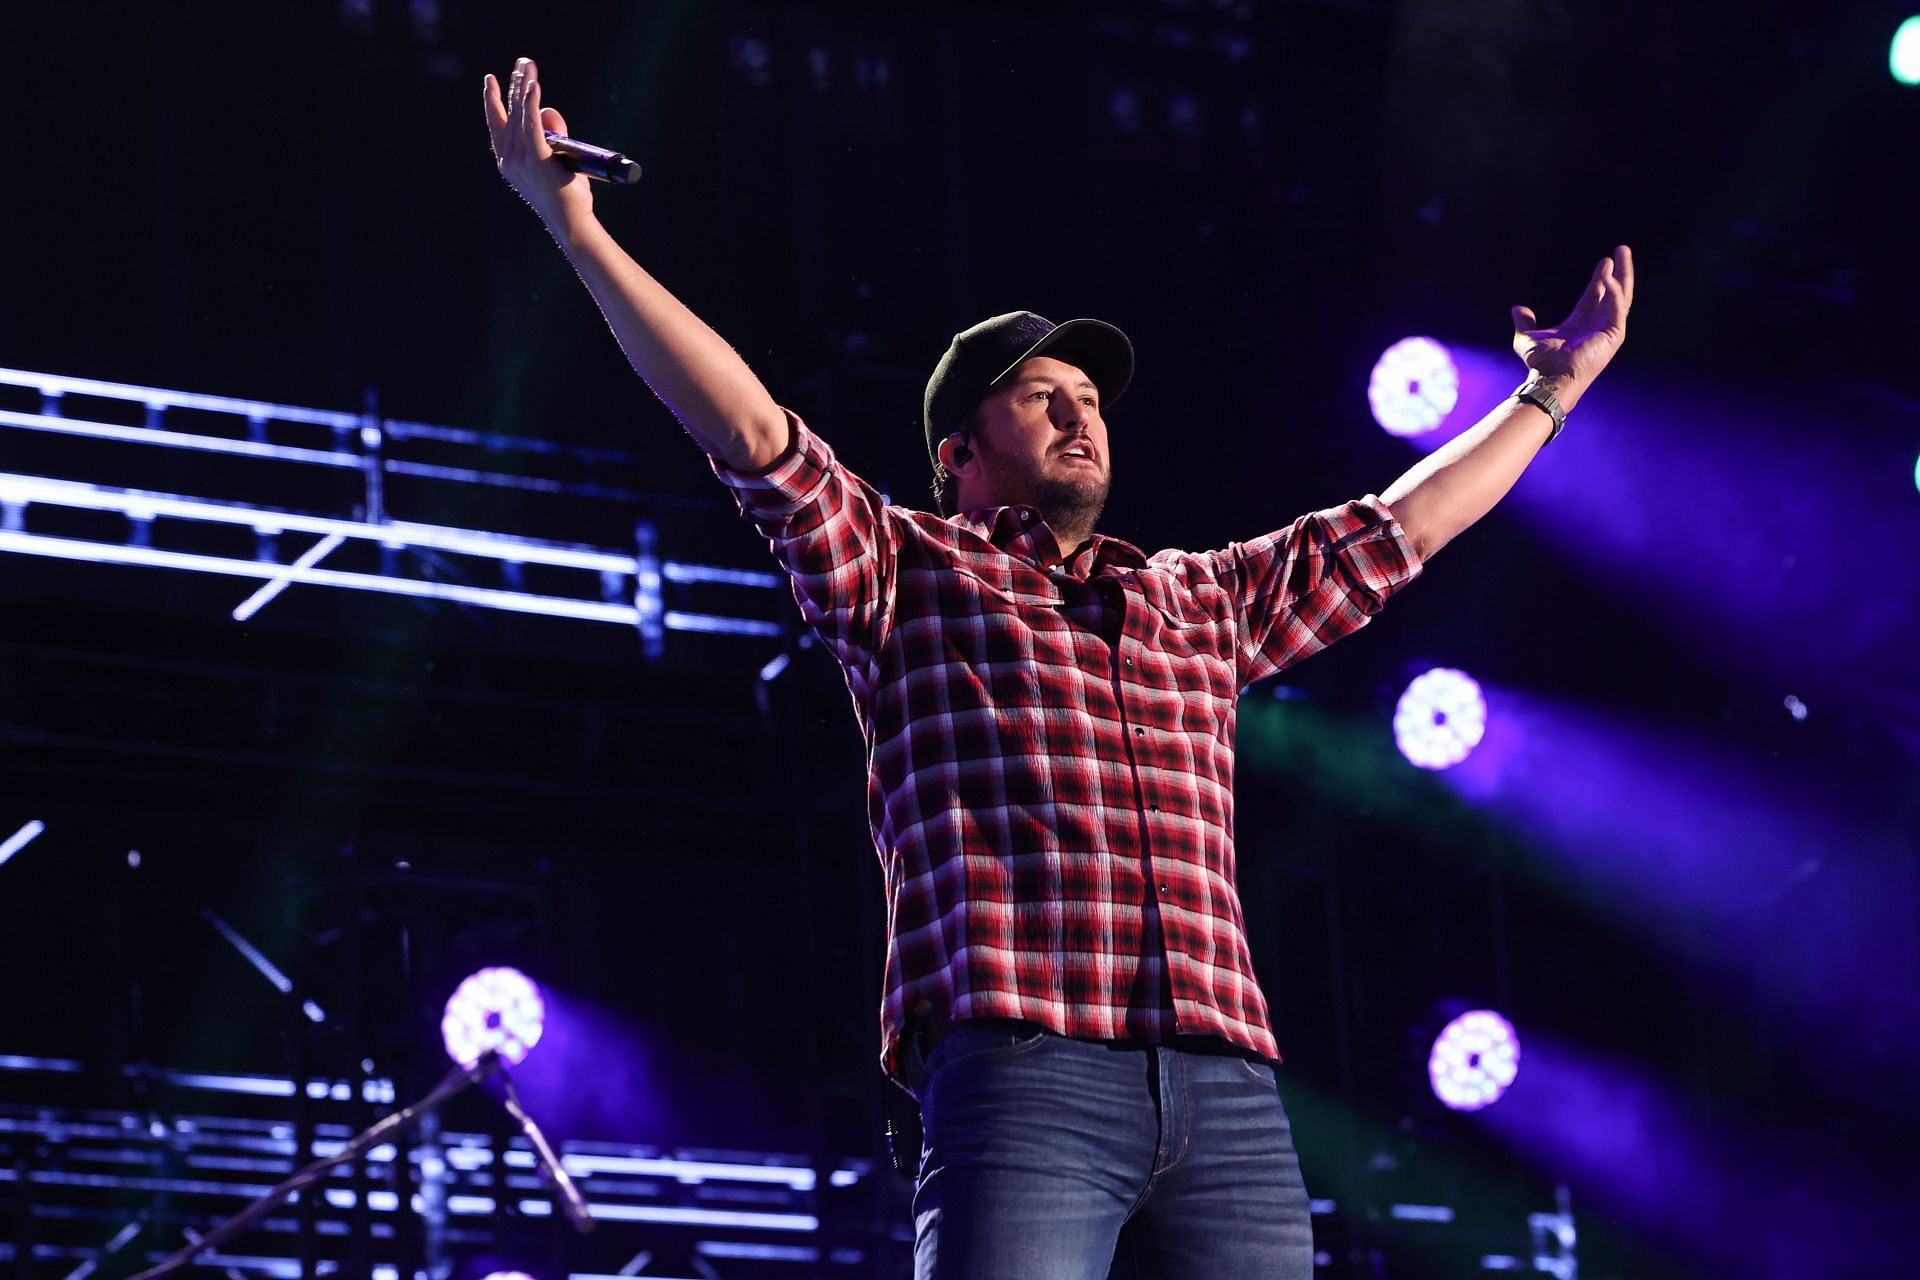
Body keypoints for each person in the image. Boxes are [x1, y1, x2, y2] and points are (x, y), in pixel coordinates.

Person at [484, 57, 1633, 1280]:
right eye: (1041, 396)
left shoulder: (1193, 595)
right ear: (958, 451)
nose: (1082, 415)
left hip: (1227, 1083)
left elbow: (1396, 529)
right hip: (1023, 1070)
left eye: (1089, 397)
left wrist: (1546, 395)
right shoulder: (908, 570)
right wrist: (578, 232)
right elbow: (756, 435)